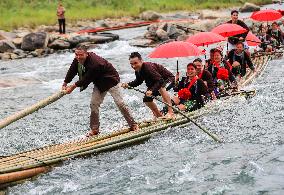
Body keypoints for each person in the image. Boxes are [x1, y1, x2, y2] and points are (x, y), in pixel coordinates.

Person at [62, 46, 139, 136]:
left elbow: (87, 78)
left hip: (111, 81)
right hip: (99, 83)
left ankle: (133, 124)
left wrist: (73, 86)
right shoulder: (77, 59)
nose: (78, 57)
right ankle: (95, 129)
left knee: (120, 103)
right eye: (76, 55)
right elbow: (72, 70)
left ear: (86, 54)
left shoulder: (95, 63)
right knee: (93, 104)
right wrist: (65, 83)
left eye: (81, 55)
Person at [121, 52, 175, 119]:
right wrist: (128, 85)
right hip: (156, 83)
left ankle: (171, 112)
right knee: (146, 99)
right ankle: (158, 115)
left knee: (161, 88)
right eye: (131, 64)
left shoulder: (148, 67)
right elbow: (138, 81)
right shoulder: (137, 70)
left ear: (141, 61)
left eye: (135, 63)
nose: (133, 66)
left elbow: (160, 80)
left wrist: (151, 90)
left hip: (168, 79)